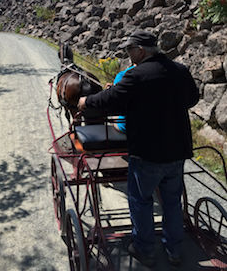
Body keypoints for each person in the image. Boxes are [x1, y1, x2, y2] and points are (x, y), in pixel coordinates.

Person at [78, 30, 199, 267]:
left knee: (141, 200)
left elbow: (108, 100)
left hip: (147, 154)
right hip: (177, 151)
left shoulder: (136, 75)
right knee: (172, 201)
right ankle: (174, 250)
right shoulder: (180, 71)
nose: (128, 54)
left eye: (129, 50)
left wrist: (85, 102)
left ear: (141, 50)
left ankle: (145, 249)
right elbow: (192, 100)